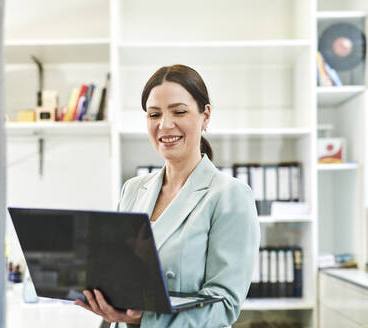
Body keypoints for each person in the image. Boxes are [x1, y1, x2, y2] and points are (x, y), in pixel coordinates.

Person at [75, 64, 260, 327]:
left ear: (205, 115)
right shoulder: (133, 189)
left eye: (179, 111)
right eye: (154, 114)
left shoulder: (230, 196)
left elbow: (224, 305)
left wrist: (145, 317)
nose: (165, 125)